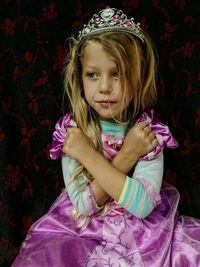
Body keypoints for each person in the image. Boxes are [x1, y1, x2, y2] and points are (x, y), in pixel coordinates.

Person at [12, 7, 200, 267]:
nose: (104, 87)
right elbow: (85, 205)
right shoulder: (72, 133)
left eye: (117, 73)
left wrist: (101, 154)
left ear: (138, 78)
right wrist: (122, 155)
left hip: (143, 232)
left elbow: (143, 206)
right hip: (81, 229)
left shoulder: (147, 133)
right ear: (80, 78)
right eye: (93, 74)